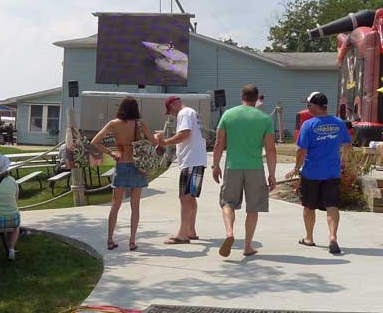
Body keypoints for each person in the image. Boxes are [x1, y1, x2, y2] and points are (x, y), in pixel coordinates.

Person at [212, 84, 277, 257]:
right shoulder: (264, 119)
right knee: (253, 208)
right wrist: (271, 174)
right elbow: (271, 150)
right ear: (257, 98)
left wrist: (215, 164)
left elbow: (219, 143)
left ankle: (229, 232)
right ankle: (247, 246)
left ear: (242, 96)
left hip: (233, 166)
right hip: (255, 167)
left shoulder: (228, 114)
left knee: (228, 203)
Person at [285, 92, 351, 255]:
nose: (307, 108)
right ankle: (333, 237)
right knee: (332, 206)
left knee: (309, 206)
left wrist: (296, 167)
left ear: (316, 106)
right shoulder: (339, 123)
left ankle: (309, 238)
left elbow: (301, 150)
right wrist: (344, 161)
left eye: (309, 105)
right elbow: (347, 144)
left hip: (311, 173)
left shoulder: (309, 125)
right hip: (332, 172)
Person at [91, 97, 160, 251]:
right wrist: (159, 136)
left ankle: (110, 239)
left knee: (115, 204)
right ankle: (132, 241)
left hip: (121, 164)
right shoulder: (140, 124)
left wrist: (111, 152)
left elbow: (94, 141)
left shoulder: (114, 124)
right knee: (135, 206)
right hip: (138, 166)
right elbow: (154, 143)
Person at [157, 96, 207, 244]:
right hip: (198, 160)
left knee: (184, 197)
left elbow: (185, 134)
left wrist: (164, 142)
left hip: (190, 161)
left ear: (173, 105)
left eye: (170, 110)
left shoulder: (184, 113)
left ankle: (182, 234)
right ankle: (191, 230)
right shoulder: (192, 112)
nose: (171, 114)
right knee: (190, 196)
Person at [0, 152, 21, 261]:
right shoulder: (12, 181)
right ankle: (11, 248)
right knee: (16, 227)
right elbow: (16, 201)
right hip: (13, 218)